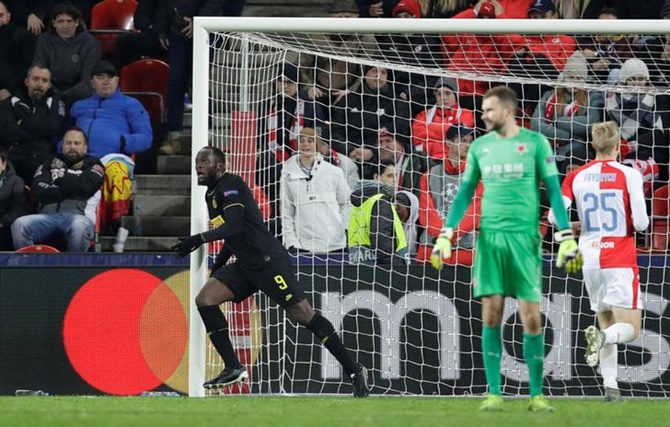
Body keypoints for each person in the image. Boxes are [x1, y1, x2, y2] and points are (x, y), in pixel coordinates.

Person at [170, 146, 369, 396]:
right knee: (205, 299)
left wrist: (198, 239)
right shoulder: (211, 194)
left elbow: (233, 226)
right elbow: (233, 238)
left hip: (268, 261)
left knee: (303, 315)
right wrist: (218, 268)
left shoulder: (231, 185)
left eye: (205, 161)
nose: (199, 165)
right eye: (197, 161)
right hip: (245, 263)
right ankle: (233, 366)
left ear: (220, 166)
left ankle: (354, 370)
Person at [430, 86, 581, 412]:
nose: (483, 116)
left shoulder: (536, 143)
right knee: (492, 314)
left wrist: (566, 234)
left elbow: (554, 191)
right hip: (491, 240)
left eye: (488, 110)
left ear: (508, 111)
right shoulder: (480, 148)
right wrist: (446, 234)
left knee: (531, 318)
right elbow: (464, 194)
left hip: (525, 240)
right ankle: (494, 392)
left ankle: (537, 395)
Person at [548, 121, 649, 402]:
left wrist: (578, 225)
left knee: (605, 321)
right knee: (629, 330)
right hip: (619, 256)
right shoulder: (629, 175)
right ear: (619, 146)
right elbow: (641, 224)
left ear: (593, 145)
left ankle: (611, 388)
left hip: (590, 258)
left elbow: (554, 217)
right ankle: (603, 341)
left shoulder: (576, 176)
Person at [69, 60, 152, 225]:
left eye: (110, 77)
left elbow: (146, 137)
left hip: (114, 158)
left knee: (116, 172)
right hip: (80, 159)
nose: (106, 81)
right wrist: (64, 148)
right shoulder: (78, 106)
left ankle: (115, 222)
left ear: (117, 80)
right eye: (100, 77)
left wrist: (123, 142)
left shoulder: (131, 105)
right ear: (92, 83)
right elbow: (64, 134)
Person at [11, 126, 104, 252]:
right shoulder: (49, 162)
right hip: (46, 218)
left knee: (78, 227)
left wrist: (58, 180)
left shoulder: (94, 165)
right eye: (68, 143)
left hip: (77, 217)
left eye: (77, 143)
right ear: (62, 145)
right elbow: (38, 191)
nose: (72, 147)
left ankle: (73, 270)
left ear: (85, 147)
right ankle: (30, 268)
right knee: (19, 224)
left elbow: (84, 187)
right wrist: (70, 189)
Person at [280, 128, 351, 254]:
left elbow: (347, 203)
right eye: (301, 141)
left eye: (310, 141)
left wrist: (342, 228)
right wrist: (292, 243)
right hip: (304, 248)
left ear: (317, 145)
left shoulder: (334, 172)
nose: (305, 144)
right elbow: (286, 213)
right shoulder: (287, 175)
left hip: (335, 245)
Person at [0, 65, 66, 184]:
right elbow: (6, 131)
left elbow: (54, 129)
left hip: (42, 158)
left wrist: (22, 123)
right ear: (27, 81)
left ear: (49, 85)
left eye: (44, 80)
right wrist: (41, 131)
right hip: (12, 156)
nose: (40, 84)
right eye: (35, 79)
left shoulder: (56, 104)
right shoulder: (10, 103)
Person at [32, 1, 101, 108]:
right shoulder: (44, 40)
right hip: (49, 95)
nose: (65, 26)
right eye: (60, 21)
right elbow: (39, 71)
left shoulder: (90, 42)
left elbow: (88, 79)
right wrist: (55, 96)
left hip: (80, 98)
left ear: (77, 22)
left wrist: (64, 97)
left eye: (69, 21)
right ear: (54, 23)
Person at [348, 163, 409, 266]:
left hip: (358, 265)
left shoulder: (360, 202)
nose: (394, 180)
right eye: (389, 176)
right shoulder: (381, 202)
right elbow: (381, 241)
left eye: (396, 176)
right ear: (377, 177)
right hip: (381, 269)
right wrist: (398, 265)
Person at [0, 0, 36, 102]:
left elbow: (30, 68)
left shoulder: (23, 37)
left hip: (18, 93)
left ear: (9, 16)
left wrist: (8, 89)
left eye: (0, 15)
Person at [0, 147, 30, 251]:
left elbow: (18, 210)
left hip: (4, 229)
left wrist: (2, 223)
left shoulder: (16, 182)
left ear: (4, 165)